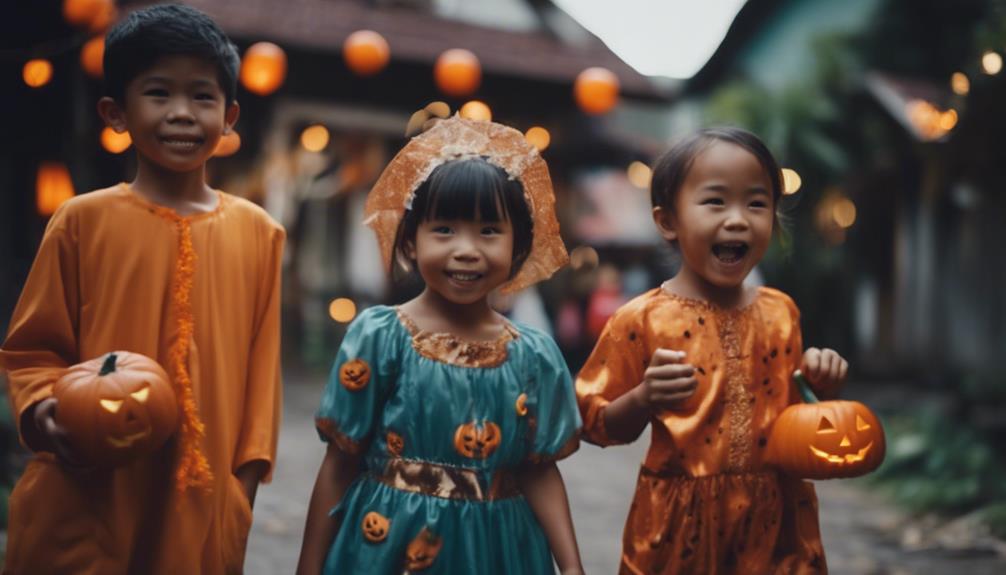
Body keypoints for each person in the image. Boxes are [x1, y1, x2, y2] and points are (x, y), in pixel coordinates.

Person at [0, 5, 284, 573]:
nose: (182, 113)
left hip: (200, 504)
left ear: (229, 118)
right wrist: (46, 412)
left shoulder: (260, 232)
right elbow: (32, 350)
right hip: (88, 489)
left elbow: (260, 383)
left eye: (202, 98)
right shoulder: (82, 220)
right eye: (159, 93)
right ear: (117, 113)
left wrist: (240, 496)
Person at [297, 115, 584, 575]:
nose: (466, 249)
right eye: (444, 229)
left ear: (518, 247)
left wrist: (571, 566)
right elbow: (339, 463)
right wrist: (308, 568)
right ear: (410, 242)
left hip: (498, 551)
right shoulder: (380, 337)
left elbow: (538, 469)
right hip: (388, 544)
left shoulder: (534, 356)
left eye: (489, 230)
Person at [576, 127, 848, 574]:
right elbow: (597, 426)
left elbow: (796, 426)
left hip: (775, 520)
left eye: (757, 203)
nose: (738, 219)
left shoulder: (782, 313)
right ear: (668, 221)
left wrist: (819, 385)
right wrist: (643, 398)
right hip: (679, 526)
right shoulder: (641, 320)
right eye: (716, 201)